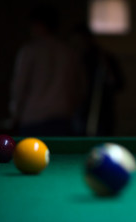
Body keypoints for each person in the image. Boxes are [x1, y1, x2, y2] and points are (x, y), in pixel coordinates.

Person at [9, 5, 86, 136]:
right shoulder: (68, 52)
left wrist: (15, 114)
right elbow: (82, 87)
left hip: (34, 119)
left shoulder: (29, 51)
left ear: (38, 25)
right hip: (62, 117)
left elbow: (19, 86)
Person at [70, 24, 124, 136]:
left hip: (101, 111)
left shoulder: (103, 59)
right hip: (79, 111)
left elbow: (119, 84)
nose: (78, 45)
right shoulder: (74, 59)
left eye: (80, 41)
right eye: (75, 42)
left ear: (89, 39)